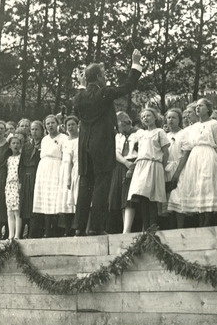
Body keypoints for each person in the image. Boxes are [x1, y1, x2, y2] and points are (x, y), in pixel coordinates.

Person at [74, 49, 143, 236]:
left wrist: (82, 87)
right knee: (101, 185)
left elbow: (78, 113)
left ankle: (79, 227)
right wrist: (135, 64)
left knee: (84, 185)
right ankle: (95, 227)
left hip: (84, 147)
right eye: (103, 75)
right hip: (101, 145)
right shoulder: (103, 93)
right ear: (97, 77)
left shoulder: (78, 97)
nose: (105, 78)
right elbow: (127, 86)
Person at [168, 98, 217, 227]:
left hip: (208, 156)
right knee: (196, 186)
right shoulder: (192, 128)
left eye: (201, 106)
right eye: (197, 106)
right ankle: (200, 219)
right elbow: (187, 147)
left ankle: (208, 220)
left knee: (207, 185)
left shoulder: (214, 124)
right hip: (194, 158)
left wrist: (214, 160)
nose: (198, 108)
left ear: (208, 109)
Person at [124, 107, 170, 233]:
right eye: (143, 116)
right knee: (141, 195)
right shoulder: (141, 134)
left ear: (155, 117)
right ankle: (146, 227)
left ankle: (152, 227)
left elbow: (166, 152)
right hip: (141, 166)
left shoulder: (160, 132)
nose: (145, 118)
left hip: (154, 164)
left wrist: (163, 167)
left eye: (148, 115)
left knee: (152, 197)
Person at [32, 114, 68, 238]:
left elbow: (65, 156)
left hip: (56, 167)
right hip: (44, 169)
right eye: (48, 123)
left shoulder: (64, 138)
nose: (50, 125)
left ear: (57, 124)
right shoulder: (44, 139)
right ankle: (47, 230)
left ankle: (57, 229)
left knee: (55, 198)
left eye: (53, 123)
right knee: (45, 198)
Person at [19, 120, 42, 238]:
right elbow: (21, 163)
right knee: (26, 203)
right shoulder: (27, 145)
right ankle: (23, 232)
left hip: (37, 174)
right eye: (32, 129)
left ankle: (35, 232)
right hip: (26, 175)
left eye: (37, 129)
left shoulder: (44, 143)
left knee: (35, 203)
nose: (34, 132)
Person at [59, 115, 80, 236]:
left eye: (73, 124)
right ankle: (67, 229)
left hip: (75, 170)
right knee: (66, 201)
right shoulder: (65, 141)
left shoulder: (80, 139)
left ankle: (76, 227)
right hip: (65, 170)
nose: (71, 127)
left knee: (76, 198)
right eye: (68, 125)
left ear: (77, 126)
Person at [5, 133, 24, 240]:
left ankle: (17, 235)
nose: (15, 145)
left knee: (17, 211)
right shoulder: (8, 159)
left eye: (17, 143)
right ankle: (10, 234)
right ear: (10, 145)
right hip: (9, 185)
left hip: (17, 184)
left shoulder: (21, 158)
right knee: (9, 210)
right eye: (13, 143)